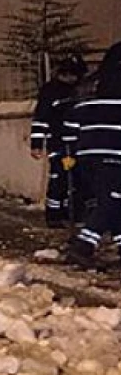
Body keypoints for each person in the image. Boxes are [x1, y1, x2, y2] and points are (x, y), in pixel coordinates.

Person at [65, 52, 121, 267]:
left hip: (87, 158)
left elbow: (70, 128)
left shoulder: (88, 97)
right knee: (112, 201)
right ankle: (83, 245)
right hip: (113, 156)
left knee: (112, 201)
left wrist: (69, 155)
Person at [30, 61, 85, 227]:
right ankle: (54, 216)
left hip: (78, 145)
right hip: (61, 146)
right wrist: (36, 144)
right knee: (60, 178)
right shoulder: (51, 92)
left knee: (77, 179)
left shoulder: (79, 92)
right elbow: (41, 120)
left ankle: (73, 213)